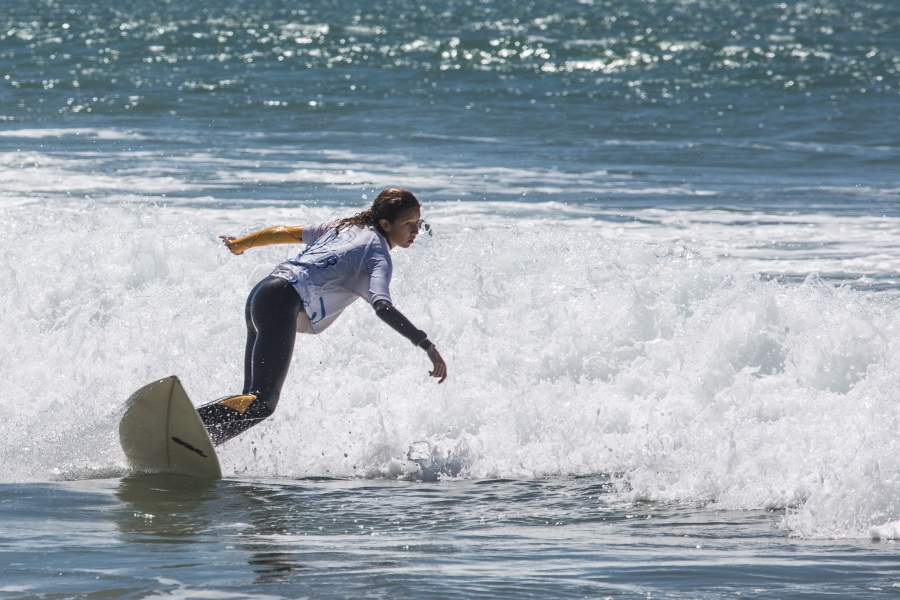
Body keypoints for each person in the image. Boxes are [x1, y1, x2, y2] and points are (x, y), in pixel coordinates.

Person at [198, 188, 447, 446]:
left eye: (417, 223)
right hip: (282, 302)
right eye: (408, 224)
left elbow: (281, 232)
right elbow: (383, 307)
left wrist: (240, 244)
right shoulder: (377, 255)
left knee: (251, 401)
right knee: (262, 402)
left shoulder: (341, 228)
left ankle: (198, 441)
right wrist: (425, 343)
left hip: (263, 294)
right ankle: (188, 421)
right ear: (386, 224)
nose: (415, 230)